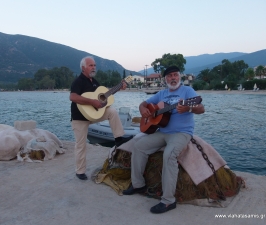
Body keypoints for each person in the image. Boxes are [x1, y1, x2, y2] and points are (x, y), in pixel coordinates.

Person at [123, 65, 205, 214]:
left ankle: (168, 201)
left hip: (181, 133)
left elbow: (201, 108)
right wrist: (143, 110)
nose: (173, 78)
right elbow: (143, 104)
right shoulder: (161, 94)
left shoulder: (188, 91)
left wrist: (188, 108)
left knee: (169, 155)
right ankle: (138, 185)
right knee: (139, 146)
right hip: (162, 131)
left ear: (179, 77)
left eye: (175, 75)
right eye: (170, 76)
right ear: (165, 79)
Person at [70, 56, 133, 181]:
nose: (93, 67)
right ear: (83, 68)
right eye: (90, 65)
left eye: (94, 65)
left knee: (112, 111)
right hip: (79, 117)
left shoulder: (94, 82)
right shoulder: (78, 81)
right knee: (80, 145)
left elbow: (104, 97)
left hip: (93, 115)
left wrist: (119, 87)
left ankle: (119, 138)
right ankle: (80, 171)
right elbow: (73, 97)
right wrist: (91, 101)